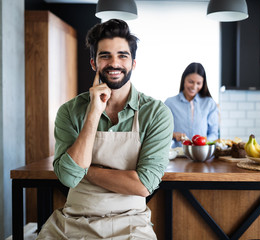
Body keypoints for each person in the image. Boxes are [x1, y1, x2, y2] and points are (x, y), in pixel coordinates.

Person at [36, 19, 173, 239]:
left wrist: (86, 169)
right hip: (73, 221)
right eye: (105, 56)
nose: (114, 63)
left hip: (131, 223)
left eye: (122, 55)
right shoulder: (70, 111)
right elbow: (69, 178)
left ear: (133, 64)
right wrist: (93, 111)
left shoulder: (156, 113)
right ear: (93, 63)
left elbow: (143, 185)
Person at [164, 62, 219, 148]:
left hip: (202, 154)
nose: (194, 87)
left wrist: (204, 143)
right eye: (191, 82)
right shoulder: (170, 103)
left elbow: (214, 133)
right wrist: (174, 135)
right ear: (184, 80)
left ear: (203, 83)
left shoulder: (209, 103)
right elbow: (162, 131)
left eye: (198, 83)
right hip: (179, 155)